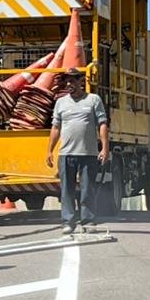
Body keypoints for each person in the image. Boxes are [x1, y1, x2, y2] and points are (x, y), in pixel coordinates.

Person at [45, 68, 109, 234]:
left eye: (72, 81)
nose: (69, 84)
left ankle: (88, 220)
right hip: (66, 154)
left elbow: (102, 124)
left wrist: (104, 148)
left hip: (88, 154)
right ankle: (68, 221)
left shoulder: (93, 100)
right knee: (67, 190)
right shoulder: (61, 103)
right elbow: (56, 127)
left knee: (87, 189)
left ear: (81, 82)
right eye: (66, 81)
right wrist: (49, 150)